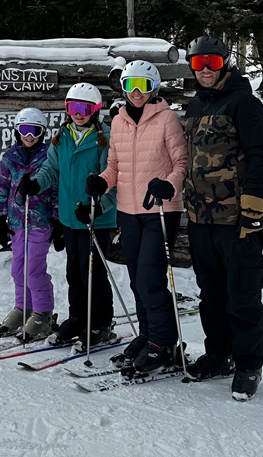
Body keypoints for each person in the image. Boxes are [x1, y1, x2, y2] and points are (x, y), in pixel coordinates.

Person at [182, 35, 263, 401]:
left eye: (213, 63)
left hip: (237, 220)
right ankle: (220, 355)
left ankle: (249, 364)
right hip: (201, 220)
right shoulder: (193, 107)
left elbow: (259, 155)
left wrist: (253, 210)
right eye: (199, 63)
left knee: (243, 293)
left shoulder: (244, 103)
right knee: (211, 294)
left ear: (225, 64)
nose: (205, 70)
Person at [84, 60, 188, 372]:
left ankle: (164, 343)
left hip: (159, 209)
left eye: (143, 86)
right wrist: (103, 181)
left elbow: (182, 163)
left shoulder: (167, 119)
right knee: (135, 279)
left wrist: (168, 185)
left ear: (154, 87)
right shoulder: (118, 121)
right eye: (130, 86)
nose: (136, 92)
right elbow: (115, 164)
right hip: (127, 211)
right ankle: (149, 334)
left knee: (149, 279)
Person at [18, 83, 118, 349]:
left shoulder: (105, 138)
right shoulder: (62, 136)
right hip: (70, 218)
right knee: (74, 272)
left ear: (95, 110)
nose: (79, 113)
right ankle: (78, 318)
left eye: (85, 108)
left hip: (95, 218)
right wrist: (37, 183)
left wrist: (99, 207)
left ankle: (100, 323)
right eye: (73, 107)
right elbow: (51, 168)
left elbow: (115, 180)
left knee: (92, 273)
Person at [0, 108, 63, 340]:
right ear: (17, 131)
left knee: (34, 270)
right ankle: (23, 309)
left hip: (40, 222)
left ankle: (42, 313)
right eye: (24, 130)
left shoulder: (48, 157)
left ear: (42, 132)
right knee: (18, 269)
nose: (29, 135)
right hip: (16, 223)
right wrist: (0, 219)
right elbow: (2, 188)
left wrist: (57, 219)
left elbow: (55, 189)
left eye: (35, 130)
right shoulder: (10, 158)